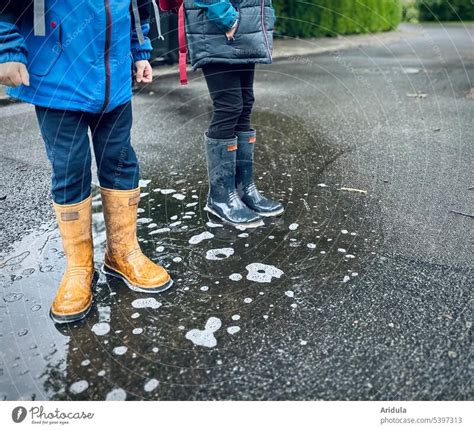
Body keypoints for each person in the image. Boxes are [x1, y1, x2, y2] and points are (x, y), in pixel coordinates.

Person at [0, 0, 173, 324]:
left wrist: (140, 52)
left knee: (121, 162)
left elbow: (137, 8)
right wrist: (6, 49)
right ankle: (79, 268)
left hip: (116, 77)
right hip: (56, 76)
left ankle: (123, 253)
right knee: (70, 168)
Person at [184, 0, 284, 228]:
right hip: (219, 28)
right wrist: (228, 18)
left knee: (244, 104)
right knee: (229, 107)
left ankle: (242, 190)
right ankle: (220, 197)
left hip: (243, 28)